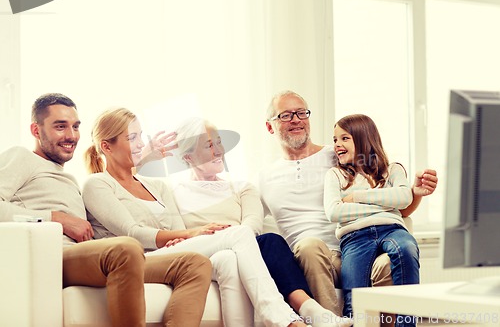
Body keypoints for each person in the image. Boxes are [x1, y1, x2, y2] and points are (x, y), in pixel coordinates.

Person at [81, 107, 314, 327]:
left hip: (169, 256)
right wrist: (189, 233)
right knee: (240, 232)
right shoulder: (97, 184)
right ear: (107, 147)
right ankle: (281, 317)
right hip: (136, 260)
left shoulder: (157, 186)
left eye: (140, 136)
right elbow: (132, 233)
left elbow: (176, 227)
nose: (141, 144)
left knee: (227, 259)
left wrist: (180, 236)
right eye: (131, 138)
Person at [0, 93, 212, 327]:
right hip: (52, 255)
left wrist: (142, 158)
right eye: (60, 127)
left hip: (87, 256)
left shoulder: (70, 178)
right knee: (126, 247)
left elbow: (118, 183)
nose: (70, 135)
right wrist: (55, 218)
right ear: (35, 130)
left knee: (194, 263)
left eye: (75, 126)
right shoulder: (21, 157)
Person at [259, 90, 438, 319]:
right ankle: (332, 322)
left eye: (301, 112)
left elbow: (397, 208)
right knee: (309, 246)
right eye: (285, 115)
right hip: (311, 260)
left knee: (394, 258)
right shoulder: (264, 178)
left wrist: (415, 193)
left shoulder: (338, 157)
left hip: (356, 244)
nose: (296, 119)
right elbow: (251, 224)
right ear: (269, 126)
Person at [170, 117, 353, 327]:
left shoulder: (242, 188)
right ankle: (301, 316)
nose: (219, 150)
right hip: (203, 255)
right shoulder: (174, 193)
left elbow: (252, 226)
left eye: (219, 142)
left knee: (269, 241)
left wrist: (231, 238)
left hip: (242, 252)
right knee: (237, 249)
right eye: (209, 145)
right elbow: (178, 236)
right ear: (188, 157)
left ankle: (308, 308)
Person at [324, 113, 420, 326]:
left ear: (363, 138)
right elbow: (333, 212)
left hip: (392, 229)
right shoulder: (335, 175)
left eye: (344, 138)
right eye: (335, 140)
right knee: (354, 302)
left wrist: (357, 197)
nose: (337, 145)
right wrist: (385, 204)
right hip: (355, 238)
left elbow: (404, 198)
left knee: (406, 249)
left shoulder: (392, 169)